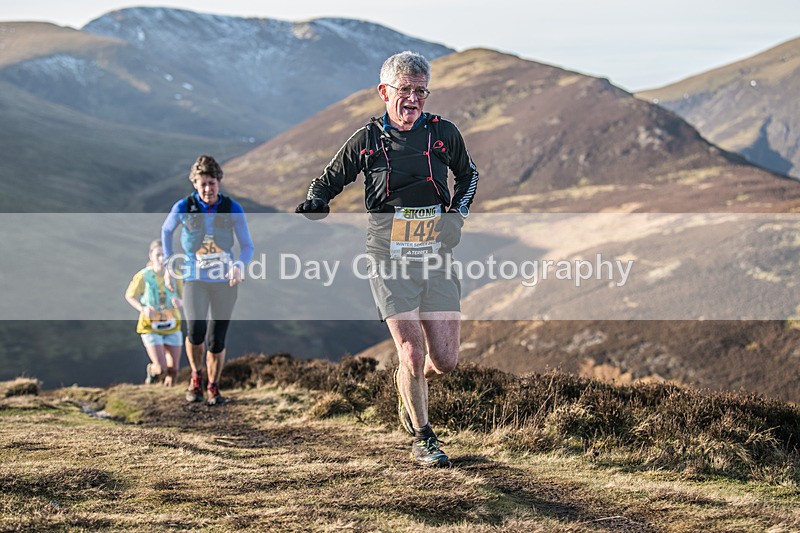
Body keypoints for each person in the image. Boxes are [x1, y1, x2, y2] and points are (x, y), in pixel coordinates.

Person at [296, 51, 479, 467]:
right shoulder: (367, 140)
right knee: (412, 353)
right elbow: (327, 179)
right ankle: (423, 436)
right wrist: (316, 202)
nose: (413, 98)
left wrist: (457, 214)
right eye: (405, 90)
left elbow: (469, 175)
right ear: (384, 92)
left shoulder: (443, 133)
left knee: (445, 362)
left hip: (436, 255)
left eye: (421, 91)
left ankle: (407, 386)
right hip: (388, 258)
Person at [162, 155, 254, 406]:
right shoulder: (183, 206)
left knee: (217, 339)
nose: (207, 189)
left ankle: (213, 386)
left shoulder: (232, 208)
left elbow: (247, 246)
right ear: (195, 183)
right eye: (202, 183)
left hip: (225, 281)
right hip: (194, 278)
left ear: (218, 182)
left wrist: (238, 265)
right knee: (196, 331)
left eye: (212, 183)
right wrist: (169, 264)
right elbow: (166, 230)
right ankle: (196, 376)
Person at [125, 239, 183, 386]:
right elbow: (130, 296)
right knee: (162, 367)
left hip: (172, 324)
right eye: (158, 255)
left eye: (165, 255)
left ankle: (167, 397)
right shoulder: (143, 276)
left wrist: (180, 302)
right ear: (151, 256)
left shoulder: (177, 275)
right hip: (150, 326)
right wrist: (142, 308)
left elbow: (185, 298)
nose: (162, 258)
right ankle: (152, 371)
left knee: (174, 370)